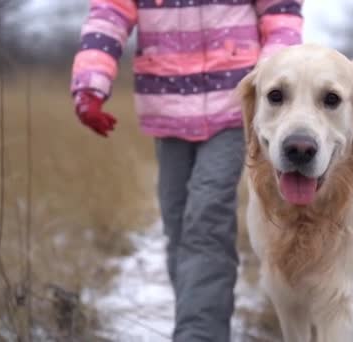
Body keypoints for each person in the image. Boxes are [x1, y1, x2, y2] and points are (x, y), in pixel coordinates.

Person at [70, 1, 303, 340]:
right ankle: (194, 319)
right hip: (167, 107)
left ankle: (200, 334)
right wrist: (90, 85)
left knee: (206, 220)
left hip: (233, 106)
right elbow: (108, 17)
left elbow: (281, 16)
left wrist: (271, 83)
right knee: (178, 226)